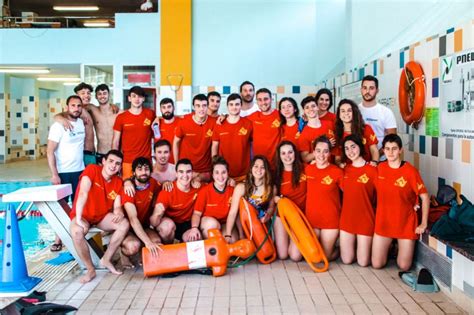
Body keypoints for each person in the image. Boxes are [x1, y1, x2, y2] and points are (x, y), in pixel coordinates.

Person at [69, 150, 129, 283]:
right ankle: (90, 270)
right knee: (77, 231)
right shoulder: (92, 170)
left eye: (117, 164)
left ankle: (106, 259)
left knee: (124, 224)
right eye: (111, 161)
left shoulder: (118, 182)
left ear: (120, 167)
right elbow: (83, 193)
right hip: (83, 215)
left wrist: (119, 212)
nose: (113, 166)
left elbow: (117, 206)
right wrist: (78, 218)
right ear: (103, 161)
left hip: (101, 217)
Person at [372, 134, 429, 271]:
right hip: (384, 222)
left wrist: (423, 223)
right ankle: (392, 245)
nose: (390, 152)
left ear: (400, 150)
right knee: (377, 264)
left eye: (394, 149)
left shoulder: (410, 171)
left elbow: (425, 197)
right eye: (387, 149)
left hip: (405, 222)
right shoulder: (379, 168)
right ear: (383, 151)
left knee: (404, 266)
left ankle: (397, 245)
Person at [47, 95, 85, 252]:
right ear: (67, 107)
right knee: (61, 206)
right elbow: (49, 151)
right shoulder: (58, 125)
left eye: (79, 106)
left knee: (78, 206)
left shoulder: (82, 122)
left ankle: (77, 237)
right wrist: (54, 174)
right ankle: (58, 239)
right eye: (73, 105)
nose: (76, 108)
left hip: (80, 170)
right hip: (63, 172)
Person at [339, 135, 377, 267]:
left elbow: (385, 192)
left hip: (365, 219)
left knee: (363, 262)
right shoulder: (344, 170)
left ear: (360, 147)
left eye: (353, 147)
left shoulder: (372, 170)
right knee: (347, 260)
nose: (350, 151)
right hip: (347, 219)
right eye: (346, 148)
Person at [305, 136, 342, 261]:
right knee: (313, 256)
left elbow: (350, 193)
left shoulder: (337, 171)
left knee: (324, 257)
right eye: (318, 151)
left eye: (325, 151)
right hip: (312, 220)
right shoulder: (307, 170)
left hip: (330, 221)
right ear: (314, 152)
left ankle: (339, 249)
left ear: (330, 153)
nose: (322, 154)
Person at [120, 157, 162, 267]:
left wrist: (167, 183)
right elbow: (133, 220)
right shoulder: (128, 189)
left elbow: (160, 190)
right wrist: (148, 242)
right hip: (127, 228)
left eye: (146, 169)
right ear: (133, 172)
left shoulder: (153, 183)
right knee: (133, 246)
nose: (143, 172)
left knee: (156, 242)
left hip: (144, 225)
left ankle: (144, 254)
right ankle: (122, 252)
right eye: (139, 169)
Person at [225, 156, 276, 241]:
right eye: (256, 166)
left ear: (266, 171)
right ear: (251, 168)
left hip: (260, 224)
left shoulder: (271, 188)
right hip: (243, 225)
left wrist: (268, 215)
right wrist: (228, 235)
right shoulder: (241, 187)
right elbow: (233, 212)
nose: (259, 169)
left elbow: (271, 207)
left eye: (262, 167)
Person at [150, 159, 200, 243]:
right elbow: (154, 222)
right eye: (181, 172)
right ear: (176, 174)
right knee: (166, 227)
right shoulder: (168, 190)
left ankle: (184, 250)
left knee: (195, 238)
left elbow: (212, 184)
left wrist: (229, 180)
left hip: (188, 224)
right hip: (170, 223)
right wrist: (157, 215)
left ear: (192, 174)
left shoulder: (198, 187)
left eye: (188, 172)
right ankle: (169, 249)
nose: (185, 175)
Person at [189, 156, 237, 241]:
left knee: (232, 240)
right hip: (208, 223)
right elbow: (196, 214)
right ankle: (209, 249)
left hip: (225, 223)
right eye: (217, 173)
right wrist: (194, 227)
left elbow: (236, 214)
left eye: (223, 172)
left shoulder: (233, 190)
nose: (220, 176)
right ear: (213, 175)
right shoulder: (205, 191)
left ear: (228, 173)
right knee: (212, 225)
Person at [112, 86, 155, 179]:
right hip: (128, 162)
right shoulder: (121, 117)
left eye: (139, 96)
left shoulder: (150, 114)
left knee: (145, 190)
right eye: (134, 96)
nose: (137, 99)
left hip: (145, 161)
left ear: (143, 99)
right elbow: (115, 142)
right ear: (129, 98)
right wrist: (116, 163)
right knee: (128, 189)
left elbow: (160, 125)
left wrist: (158, 119)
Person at [273, 141, 305, 261]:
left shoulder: (305, 169)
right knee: (282, 255)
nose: (287, 156)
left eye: (290, 152)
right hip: (282, 216)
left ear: (295, 154)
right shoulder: (276, 174)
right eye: (283, 153)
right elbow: (271, 195)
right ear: (279, 156)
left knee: (295, 256)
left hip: (299, 215)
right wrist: (277, 199)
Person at [174, 94, 216, 183]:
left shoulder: (214, 122)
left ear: (207, 106)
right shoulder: (184, 121)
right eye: (198, 106)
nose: (201, 109)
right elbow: (176, 142)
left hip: (205, 171)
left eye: (204, 105)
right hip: (187, 169)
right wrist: (177, 165)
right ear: (193, 107)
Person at [212, 93, 253, 182]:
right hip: (224, 175)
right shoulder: (219, 124)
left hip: (244, 175)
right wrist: (215, 167)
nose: (234, 107)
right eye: (231, 104)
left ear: (241, 106)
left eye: (237, 104)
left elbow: (254, 145)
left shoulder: (248, 124)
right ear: (227, 106)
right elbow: (214, 146)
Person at [359, 75, 397, 154]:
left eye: (371, 88)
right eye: (365, 88)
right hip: (359, 159)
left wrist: (376, 156)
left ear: (377, 90)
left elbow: (392, 140)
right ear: (361, 90)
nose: (367, 91)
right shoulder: (355, 111)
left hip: (381, 159)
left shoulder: (386, 112)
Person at [334, 99, 379, 167]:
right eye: (343, 111)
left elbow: (374, 150)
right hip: (347, 171)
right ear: (339, 115)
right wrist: (340, 164)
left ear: (354, 112)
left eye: (349, 110)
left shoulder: (366, 129)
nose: (346, 113)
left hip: (366, 169)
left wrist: (374, 162)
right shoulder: (337, 134)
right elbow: (337, 158)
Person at [247, 88, 281, 169]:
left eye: (266, 99)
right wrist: (224, 116)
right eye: (260, 100)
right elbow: (236, 120)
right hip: (259, 166)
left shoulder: (280, 115)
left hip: (277, 164)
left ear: (271, 99)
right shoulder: (252, 117)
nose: (263, 102)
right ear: (257, 101)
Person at [298, 96, 335, 163]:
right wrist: (326, 146)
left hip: (332, 167)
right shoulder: (304, 134)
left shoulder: (330, 124)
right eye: (307, 107)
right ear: (304, 111)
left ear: (317, 107)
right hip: (317, 169)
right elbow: (305, 158)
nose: (311, 109)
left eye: (313, 106)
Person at [91, 84, 119, 163]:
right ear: (96, 96)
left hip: (115, 153)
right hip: (100, 153)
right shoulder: (92, 110)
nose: (102, 96)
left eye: (104, 93)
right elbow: (77, 107)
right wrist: (59, 117)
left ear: (109, 95)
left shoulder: (118, 112)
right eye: (99, 94)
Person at [74, 83, 96, 165]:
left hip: (91, 152)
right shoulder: (75, 111)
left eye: (88, 93)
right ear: (77, 95)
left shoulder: (89, 109)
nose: (86, 95)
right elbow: (60, 116)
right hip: (81, 153)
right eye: (83, 93)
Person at [155, 98, 181, 164]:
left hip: (178, 163)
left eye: (169, 107)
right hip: (161, 165)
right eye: (164, 107)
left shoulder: (181, 122)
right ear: (160, 109)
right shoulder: (156, 124)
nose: (166, 110)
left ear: (174, 108)